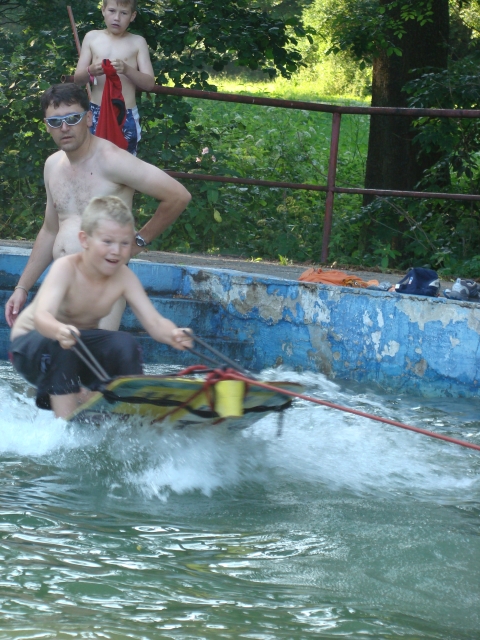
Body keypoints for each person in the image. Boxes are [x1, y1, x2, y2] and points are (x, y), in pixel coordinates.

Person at [5, 83, 191, 330]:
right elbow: (50, 230)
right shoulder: (52, 166)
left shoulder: (113, 161)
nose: (64, 128)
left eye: (73, 118)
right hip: (62, 285)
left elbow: (178, 196)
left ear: (89, 118)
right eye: (55, 122)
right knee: (49, 354)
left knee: (93, 353)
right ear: (47, 126)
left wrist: (138, 242)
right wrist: (22, 287)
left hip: (103, 286)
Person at [9, 196, 193, 419]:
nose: (116, 251)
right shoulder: (67, 268)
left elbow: (154, 322)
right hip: (29, 348)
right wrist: (59, 329)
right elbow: (42, 316)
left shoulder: (123, 277)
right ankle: (64, 426)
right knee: (65, 343)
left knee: (125, 343)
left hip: (77, 344)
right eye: (107, 242)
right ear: (85, 240)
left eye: (124, 243)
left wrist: (173, 334)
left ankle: (126, 415)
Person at [74, 0, 155, 155]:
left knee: (125, 161)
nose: (117, 18)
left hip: (126, 113)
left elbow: (149, 84)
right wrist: (90, 70)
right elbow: (78, 79)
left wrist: (127, 70)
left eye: (123, 13)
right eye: (112, 11)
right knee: (92, 159)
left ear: (132, 16)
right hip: (96, 111)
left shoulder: (138, 42)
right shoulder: (92, 37)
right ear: (103, 10)